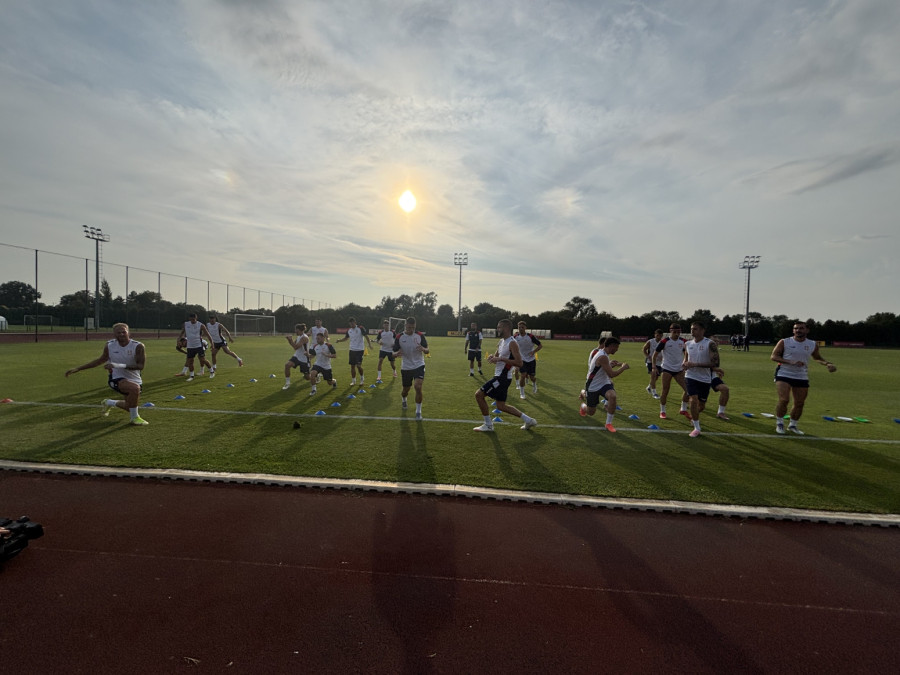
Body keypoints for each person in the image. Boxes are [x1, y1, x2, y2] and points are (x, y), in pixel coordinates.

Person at [65, 322, 149, 425]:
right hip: (116, 378)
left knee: (129, 406)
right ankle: (134, 418)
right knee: (134, 389)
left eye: (124, 332)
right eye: (118, 332)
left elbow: (140, 366)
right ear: (114, 334)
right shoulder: (110, 345)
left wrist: (117, 365)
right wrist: (78, 368)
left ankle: (109, 402)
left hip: (134, 378)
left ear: (128, 333)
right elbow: (100, 360)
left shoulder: (138, 346)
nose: (121, 334)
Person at [770, 321, 836, 435]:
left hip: (801, 375)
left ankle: (793, 425)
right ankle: (780, 423)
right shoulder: (785, 341)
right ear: (793, 330)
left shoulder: (812, 344)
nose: (798, 330)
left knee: (799, 403)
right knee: (784, 399)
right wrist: (790, 361)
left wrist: (827, 363)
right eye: (796, 328)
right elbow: (774, 356)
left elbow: (817, 357)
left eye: (801, 328)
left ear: (807, 330)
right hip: (784, 373)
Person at [473, 319, 538, 432]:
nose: (497, 329)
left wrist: (501, 359)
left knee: (479, 395)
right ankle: (529, 420)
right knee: (501, 406)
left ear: (506, 328)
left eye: (499, 327)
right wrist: (492, 358)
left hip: (502, 378)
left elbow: (519, 363)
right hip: (501, 377)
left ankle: (488, 425)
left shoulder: (512, 343)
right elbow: (497, 357)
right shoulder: (501, 341)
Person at [579, 336, 630, 432]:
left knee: (612, 396)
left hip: (604, 383)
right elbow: (612, 374)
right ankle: (583, 404)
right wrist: (623, 368)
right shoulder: (602, 356)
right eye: (616, 347)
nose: (617, 350)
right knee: (591, 412)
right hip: (593, 384)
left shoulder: (604, 354)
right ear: (611, 346)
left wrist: (610, 365)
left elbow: (601, 368)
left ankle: (608, 423)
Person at [682, 321, 720, 438]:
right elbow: (686, 359)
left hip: (705, 379)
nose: (692, 331)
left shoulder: (710, 344)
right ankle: (697, 428)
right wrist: (684, 365)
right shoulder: (688, 344)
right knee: (693, 400)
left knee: (701, 405)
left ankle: (693, 418)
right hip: (690, 376)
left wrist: (695, 364)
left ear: (703, 330)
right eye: (691, 329)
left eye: (695, 329)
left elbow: (715, 363)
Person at [392, 316, 429, 420]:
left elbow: (427, 350)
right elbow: (393, 353)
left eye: (413, 327)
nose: (411, 329)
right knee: (406, 390)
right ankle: (404, 398)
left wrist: (424, 349)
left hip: (419, 365)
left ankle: (418, 412)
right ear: (405, 325)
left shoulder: (420, 335)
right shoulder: (399, 337)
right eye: (409, 327)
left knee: (418, 386)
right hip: (406, 367)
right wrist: (396, 354)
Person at [652, 323, 689, 419]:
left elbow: (687, 353)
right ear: (670, 331)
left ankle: (683, 408)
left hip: (679, 370)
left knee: (688, 390)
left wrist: (686, 361)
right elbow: (654, 355)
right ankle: (662, 411)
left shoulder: (684, 341)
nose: (677, 334)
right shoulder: (664, 341)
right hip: (667, 369)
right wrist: (654, 367)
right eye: (674, 331)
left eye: (678, 332)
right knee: (665, 390)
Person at [335, 317, 373, 386]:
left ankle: (362, 379)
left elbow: (366, 336)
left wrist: (369, 344)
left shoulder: (360, 328)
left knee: (358, 366)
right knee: (352, 366)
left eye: (353, 323)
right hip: (352, 350)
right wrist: (339, 340)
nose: (352, 324)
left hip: (360, 350)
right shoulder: (349, 330)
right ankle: (353, 381)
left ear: (355, 322)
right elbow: (346, 338)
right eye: (350, 323)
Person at [177, 313, 213, 381]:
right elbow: (181, 333)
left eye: (193, 319)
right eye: (191, 319)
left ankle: (211, 371)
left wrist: (212, 343)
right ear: (189, 319)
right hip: (190, 346)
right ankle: (191, 376)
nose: (192, 321)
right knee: (190, 361)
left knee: (202, 360)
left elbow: (208, 335)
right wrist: (178, 340)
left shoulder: (201, 325)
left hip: (199, 345)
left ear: (196, 318)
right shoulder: (186, 324)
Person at [513, 321, 543, 399]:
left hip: (531, 360)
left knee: (532, 377)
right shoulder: (515, 337)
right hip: (521, 359)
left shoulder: (530, 336)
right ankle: (522, 393)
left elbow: (540, 345)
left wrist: (533, 352)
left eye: (522, 327)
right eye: (519, 327)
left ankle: (534, 384)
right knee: (523, 375)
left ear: (525, 328)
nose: (521, 329)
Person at [308, 331, 338, 396]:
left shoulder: (329, 345)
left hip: (326, 366)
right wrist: (307, 355)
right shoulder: (315, 346)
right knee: (312, 374)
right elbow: (312, 356)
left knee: (329, 382)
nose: (317, 340)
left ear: (323, 338)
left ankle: (334, 381)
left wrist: (326, 355)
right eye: (316, 339)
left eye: (318, 338)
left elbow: (334, 355)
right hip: (317, 364)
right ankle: (313, 390)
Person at [283, 323, 311, 390]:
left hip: (304, 358)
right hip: (297, 356)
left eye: (296, 330)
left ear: (300, 330)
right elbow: (294, 345)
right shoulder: (299, 336)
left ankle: (315, 376)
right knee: (287, 365)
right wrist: (289, 340)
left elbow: (296, 347)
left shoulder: (304, 337)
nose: (295, 331)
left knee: (307, 377)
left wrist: (290, 340)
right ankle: (287, 383)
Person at [642, 329, 664, 398]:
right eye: (657, 335)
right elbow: (644, 349)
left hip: (659, 362)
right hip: (650, 362)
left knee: (656, 377)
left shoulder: (663, 342)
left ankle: (649, 387)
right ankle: (654, 393)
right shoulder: (650, 341)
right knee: (653, 375)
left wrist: (663, 357)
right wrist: (648, 357)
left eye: (660, 336)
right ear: (655, 335)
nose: (659, 337)